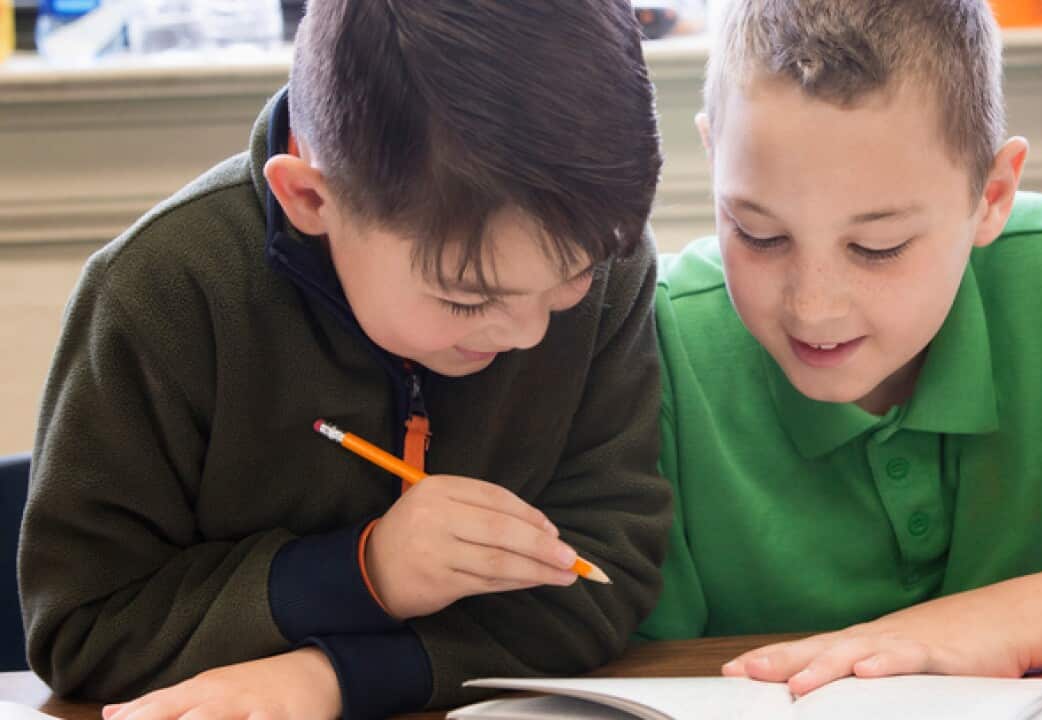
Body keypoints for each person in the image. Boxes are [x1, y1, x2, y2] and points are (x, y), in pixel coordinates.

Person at [19, 2, 670, 718]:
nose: (529, 333)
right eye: (467, 298)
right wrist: (366, 572)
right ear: (308, 198)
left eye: (573, 279)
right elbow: (85, 630)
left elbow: (607, 576)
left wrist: (336, 677)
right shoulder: (164, 293)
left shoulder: (604, 254)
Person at [637, 0, 1042, 699]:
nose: (812, 306)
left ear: (993, 195)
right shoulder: (652, 351)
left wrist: (1003, 622)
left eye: (878, 246)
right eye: (758, 234)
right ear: (712, 157)